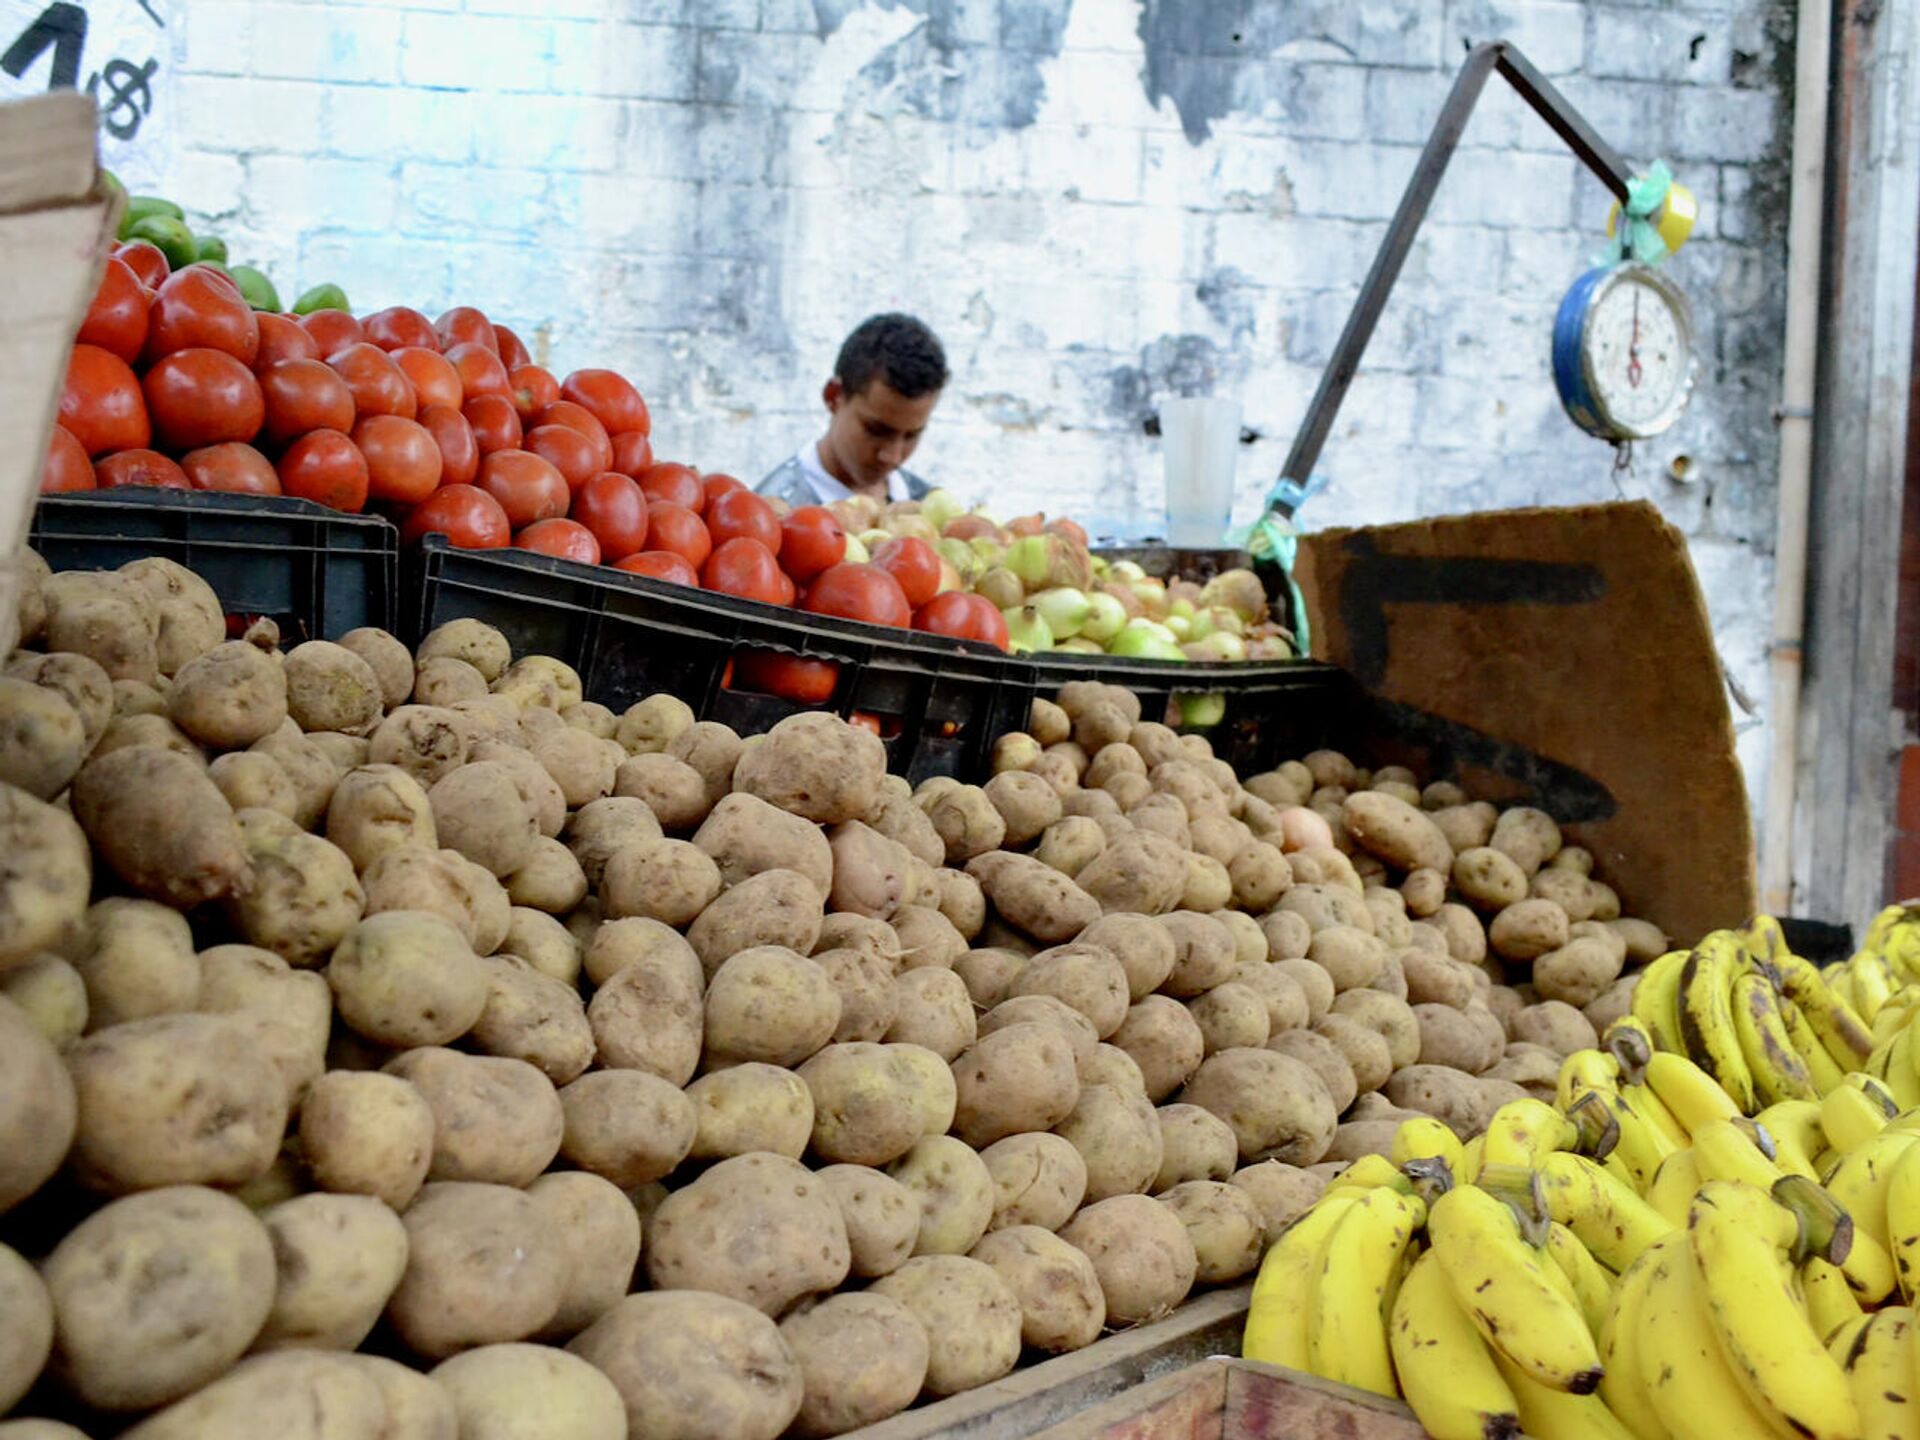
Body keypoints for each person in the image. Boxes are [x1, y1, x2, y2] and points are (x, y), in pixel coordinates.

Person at [756, 313, 948, 509]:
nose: (893, 456)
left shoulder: (927, 506)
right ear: (834, 396)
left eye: (911, 436)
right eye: (876, 430)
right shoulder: (772, 517)